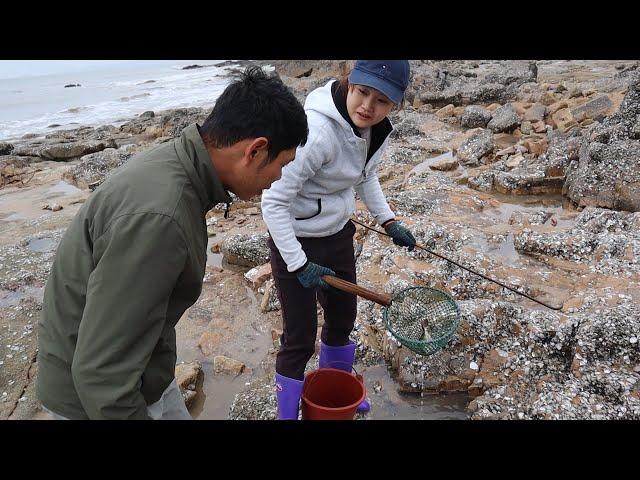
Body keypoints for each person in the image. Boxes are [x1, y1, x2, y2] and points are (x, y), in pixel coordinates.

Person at [36, 66, 308, 420]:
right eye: (283, 164)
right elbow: (102, 376)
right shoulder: (160, 219)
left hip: (144, 372)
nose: (279, 179)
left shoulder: (181, 165)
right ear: (255, 151)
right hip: (94, 402)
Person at [261, 60, 417, 420]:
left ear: (395, 103)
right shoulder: (316, 132)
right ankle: (287, 415)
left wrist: (389, 221)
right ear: (350, 82)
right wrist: (297, 263)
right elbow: (273, 201)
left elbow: (367, 176)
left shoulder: (374, 130)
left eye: (381, 100)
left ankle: (339, 385)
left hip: (337, 236)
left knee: (343, 318)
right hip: (294, 242)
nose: (368, 106)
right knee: (299, 337)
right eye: (363, 92)